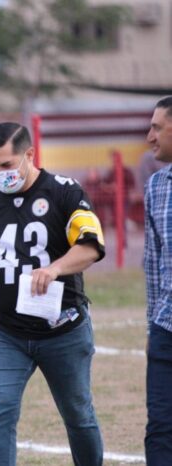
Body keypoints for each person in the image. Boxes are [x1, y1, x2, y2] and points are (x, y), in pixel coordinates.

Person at [0, 123, 106, 466]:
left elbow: (92, 246)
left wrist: (54, 269)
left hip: (63, 329)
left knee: (78, 415)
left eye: (6, 165)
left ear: (29, 155)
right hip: (5, 333)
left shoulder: (64, 192)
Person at [143, 95, 172, 465]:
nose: (149, 136)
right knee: (160, 428)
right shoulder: (156, 186)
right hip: (166, 327)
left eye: (156, 127)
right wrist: (153, 323)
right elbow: (152, 263)